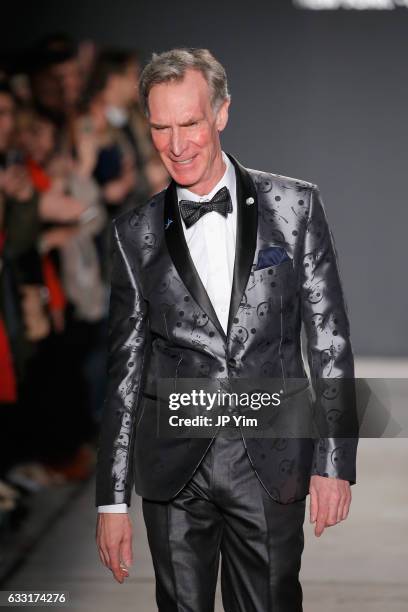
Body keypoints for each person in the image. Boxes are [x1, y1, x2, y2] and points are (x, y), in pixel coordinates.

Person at [95, 48, 358, 612]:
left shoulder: (294, 207)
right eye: (161, 127)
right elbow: (125, 370)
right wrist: (111, 501)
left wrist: (334, 460)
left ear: (221, 113)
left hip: (269, 458)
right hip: (172, 464)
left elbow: (329, 340)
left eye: (189, 122)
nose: (176, 143)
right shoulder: (133, 233)